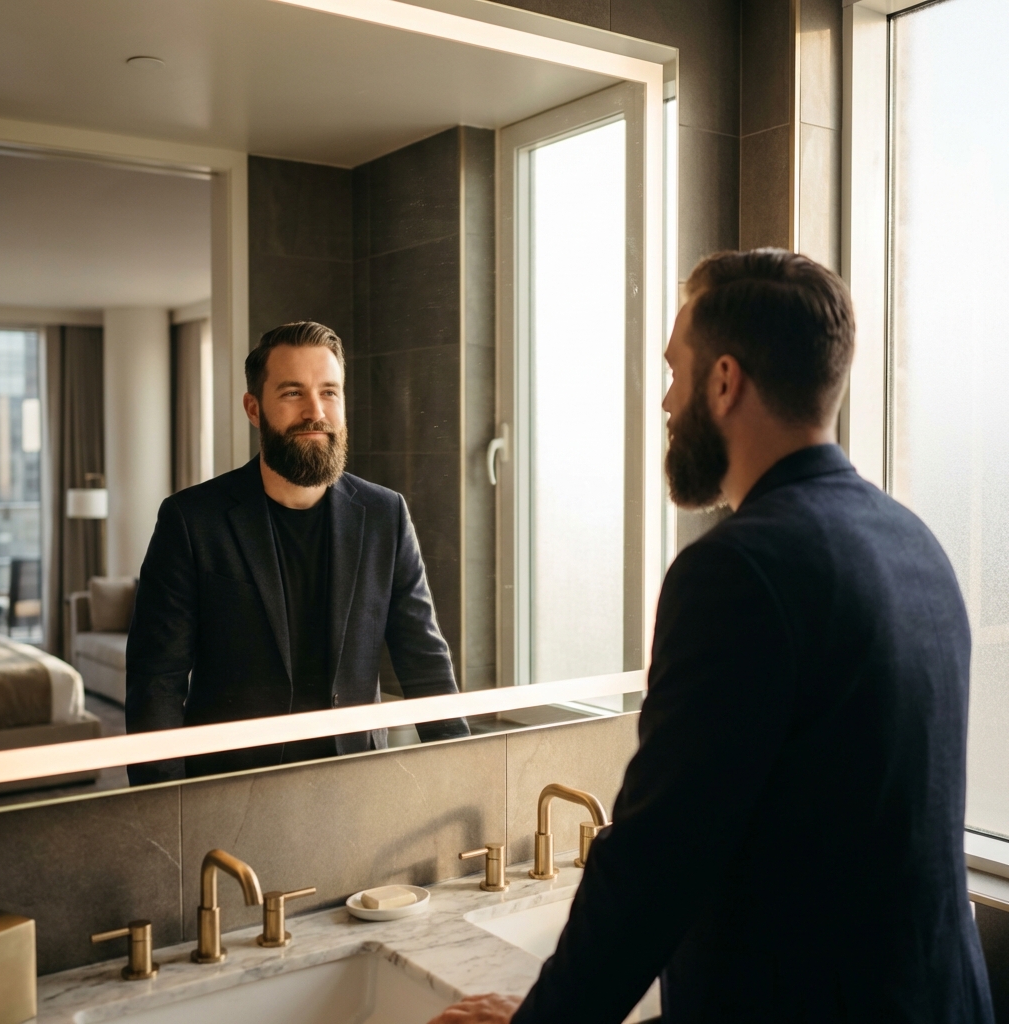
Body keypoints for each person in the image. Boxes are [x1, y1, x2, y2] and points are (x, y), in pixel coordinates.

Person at [430, 250, 993, 1024]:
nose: (665, 399)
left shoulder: (737, 570)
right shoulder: (916, 544)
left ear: (724, 381)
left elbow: (658, 862)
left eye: (675, 370)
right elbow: (815, 867)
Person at [125, 321, 467, 784]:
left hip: (355, 784)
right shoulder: (191, 521)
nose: (315, 411)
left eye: (329, 392)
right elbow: (157, 682)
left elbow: (424, 659)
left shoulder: (385, 514)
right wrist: (164, 808)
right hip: (231, 787)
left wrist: (468, 776)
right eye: (292, 393)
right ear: (254, 408)